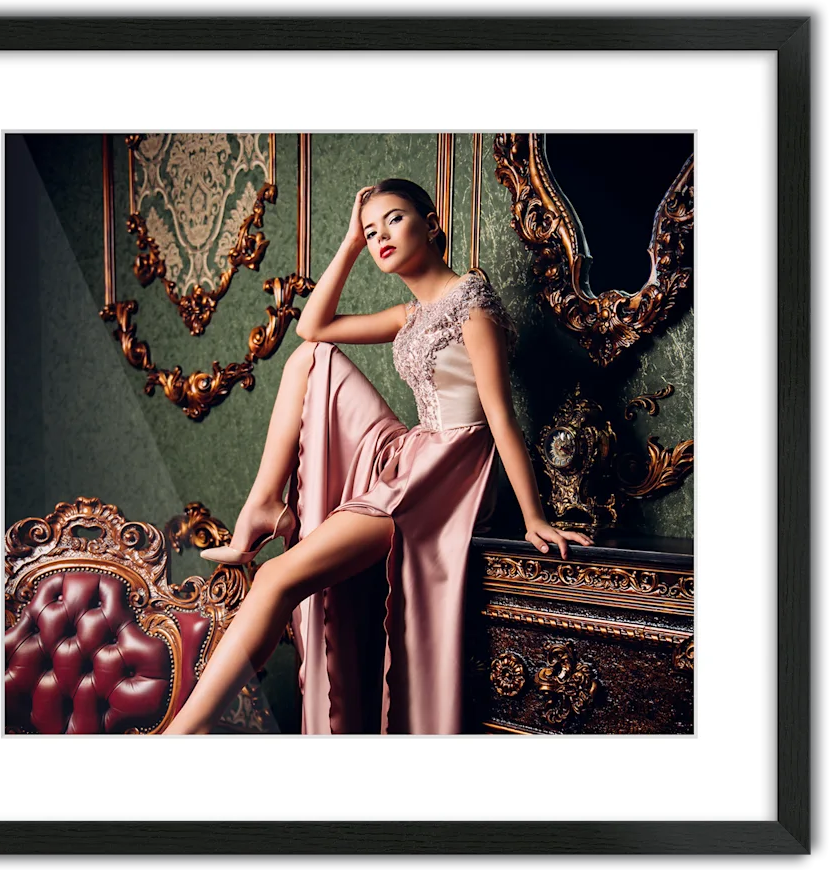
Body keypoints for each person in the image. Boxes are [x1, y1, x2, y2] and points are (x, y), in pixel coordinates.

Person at [161, 178, 592, 736]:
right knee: (310, 357)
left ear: (431, 224)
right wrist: (348, 243)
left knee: (274, 578)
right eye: (370, 231)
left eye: (393, 219)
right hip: (415, 453)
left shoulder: (473, 306)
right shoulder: (410, 314)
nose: (380, 236)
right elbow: (313, 327)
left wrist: (534, 518)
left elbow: (501, 419)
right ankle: (265, 504)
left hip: (451, 473)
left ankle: (183, 735)